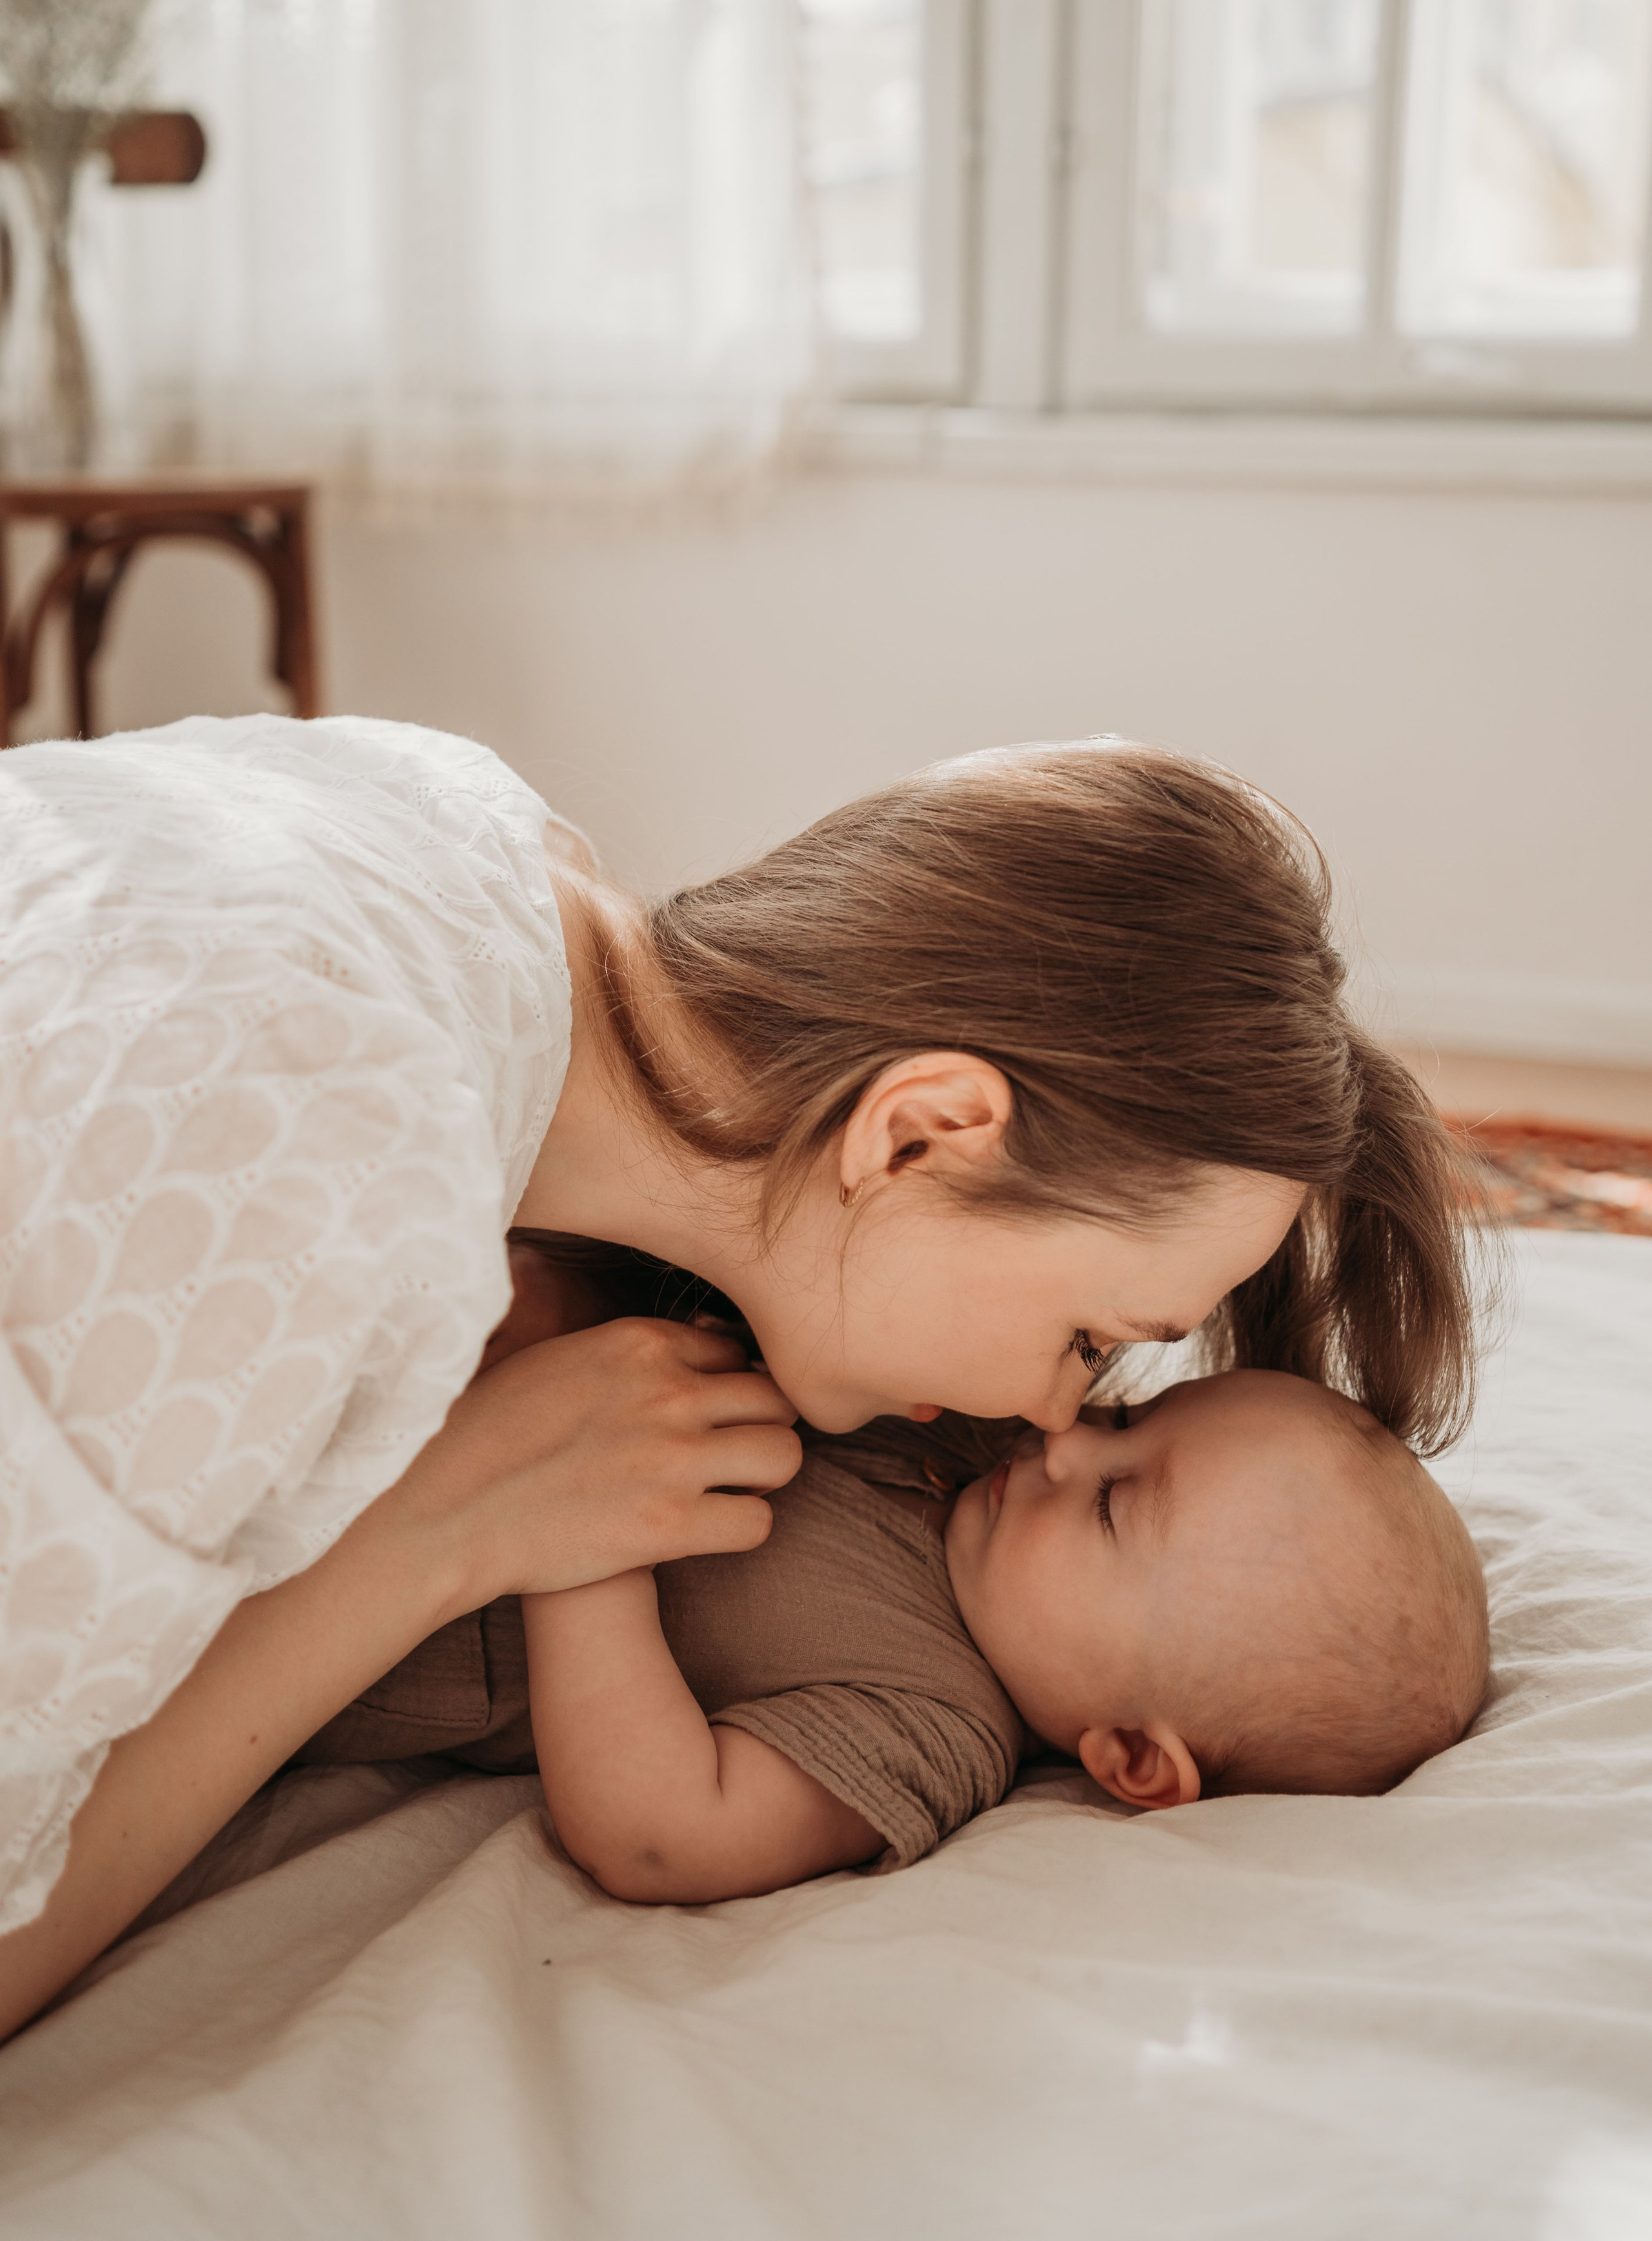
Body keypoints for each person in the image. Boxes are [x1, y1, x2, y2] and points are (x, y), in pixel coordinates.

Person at [0, 716, 1480, 2038]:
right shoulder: (337, 1143)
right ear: (914, 1135)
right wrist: (456, 1522)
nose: (1049, 1413)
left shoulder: (467, 818)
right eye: (1091, 1340)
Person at [301, 1266, 1489, 1904]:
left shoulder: (929, 1722)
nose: (1065, 1445)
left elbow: (664, 1835)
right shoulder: (976, 1437)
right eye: (1127, 1416)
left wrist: (577, 1539)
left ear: (1130, 1755)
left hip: (315, 1607)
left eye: (1117, 1502)